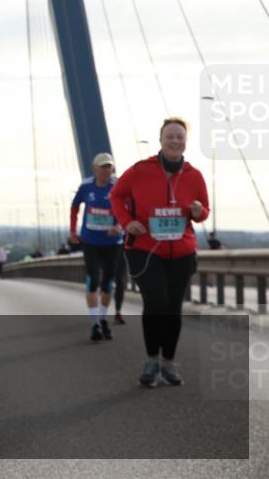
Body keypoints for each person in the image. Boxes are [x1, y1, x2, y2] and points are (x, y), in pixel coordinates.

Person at [110, 118, 209, 388]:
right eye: (170, 136)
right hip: (145, 249)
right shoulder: (141, 170)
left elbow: (203, 211)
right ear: (161, 139)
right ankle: (152, 361)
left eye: (180, 136)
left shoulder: (194, 175)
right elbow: (116, 196)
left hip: (182, 251)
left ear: (185, 141)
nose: (175, 141)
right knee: (157, 303)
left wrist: (199, 212)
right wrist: (126, 221)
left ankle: (169, 363)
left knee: (173, 308)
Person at [69, 152, 123, 342]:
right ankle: (95, 324)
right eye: (103, 166)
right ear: (95, 168)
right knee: (93, 279)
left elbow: (129, 210)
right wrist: (73, 231)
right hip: (90, 241)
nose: (107, 170)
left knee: (108, 283)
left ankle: (102, 317)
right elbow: (74, 206)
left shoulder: (117, 186)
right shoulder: (86, 186)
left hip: (112, 243)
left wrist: (119, 226)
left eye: (109, 166)